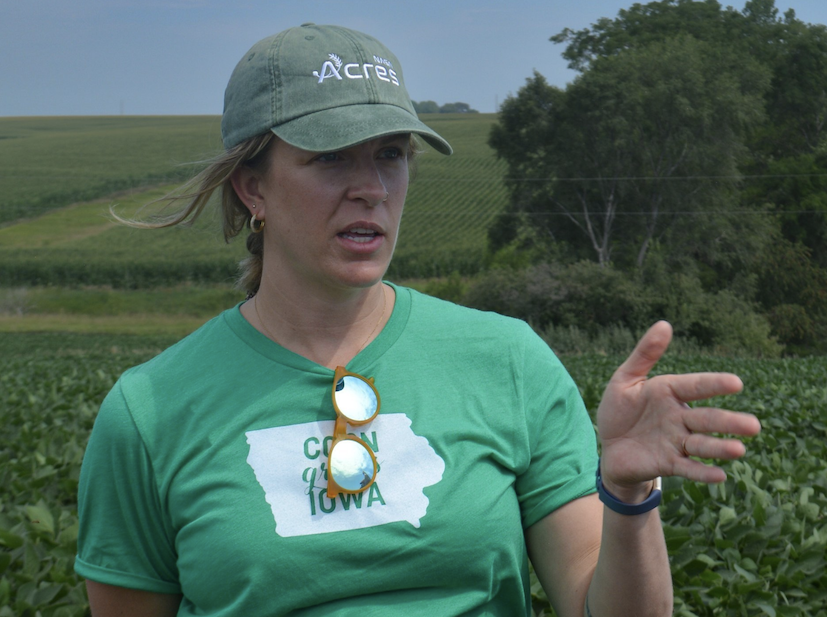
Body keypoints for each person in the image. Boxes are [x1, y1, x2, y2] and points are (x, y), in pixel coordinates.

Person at [74, 23, 761, 617]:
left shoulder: (507, 362)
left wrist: (628, 493)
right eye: (330, 157)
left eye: (391, 154)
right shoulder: (150, 413)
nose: (369, 186)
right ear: (253, 186)